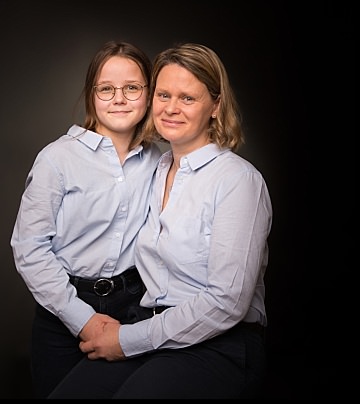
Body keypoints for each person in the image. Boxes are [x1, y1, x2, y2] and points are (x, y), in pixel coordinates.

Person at [49, 43, 272, 398]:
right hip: (151, 330)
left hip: (220, 343)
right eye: (164, 94)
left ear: (215, 106)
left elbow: (227, 302)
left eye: (187, 98)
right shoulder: (155, 168)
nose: (171, 108)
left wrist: (126, 339)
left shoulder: (237, 181)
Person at [10, 41, 163, 398]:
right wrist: (82, 319)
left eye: (132, 88)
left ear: (149, 93)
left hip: (135, 308)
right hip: (64, 306)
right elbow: (29, 249)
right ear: (91, 95)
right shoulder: (57, 159)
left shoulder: (160, 160)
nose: (120, 98)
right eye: (106, 89)